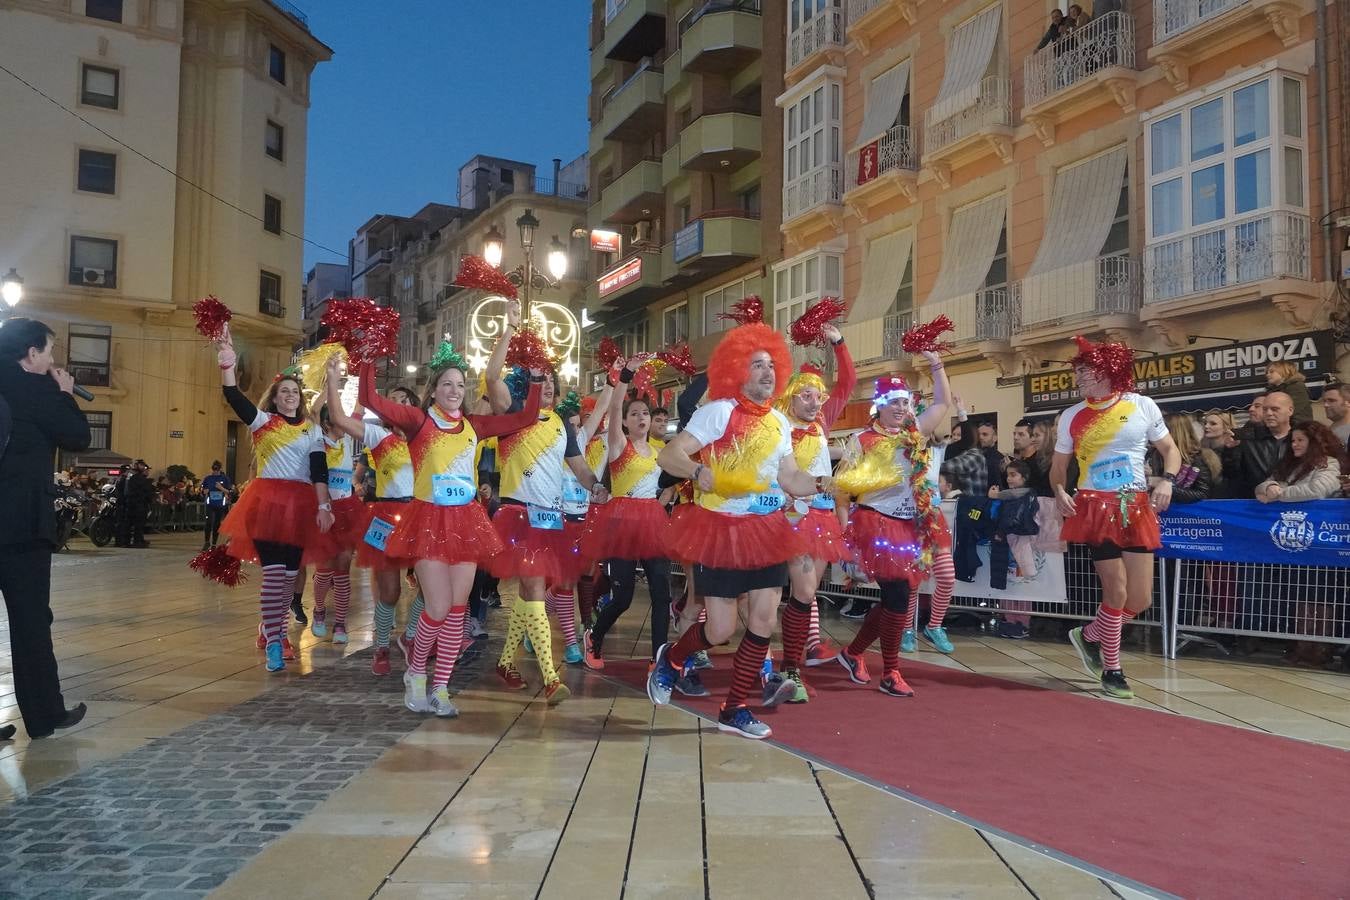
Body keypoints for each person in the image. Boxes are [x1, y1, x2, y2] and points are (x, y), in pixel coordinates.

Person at [648, 319, 829, 739]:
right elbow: (668, 456)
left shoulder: (780, 424)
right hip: (722, 530)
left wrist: (821, 483)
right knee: (720, 629)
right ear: (737, 372)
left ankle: (734, 709)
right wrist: (696, 470)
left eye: (771, 365)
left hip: (767, 530)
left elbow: (790, 478)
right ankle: (672, 658)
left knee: (764, 621)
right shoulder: (719, 412)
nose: (767, 372)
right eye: (757, 365)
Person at [348, 346, 541, 717]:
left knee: (456, 610)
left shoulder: (475, 426)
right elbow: (369, 398)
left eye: (460, 385)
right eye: (447, 384)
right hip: (429, 523)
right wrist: (369, 356)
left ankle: (441, 687)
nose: (455, 390)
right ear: (434, 389)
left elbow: (527, 417)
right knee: (435, 607)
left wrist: (534, 379)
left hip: (466, 523)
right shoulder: (419, 421)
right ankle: (417, 673)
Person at [1054, 336, 1180, 700]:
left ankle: (1089, 634)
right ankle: (1113, 668)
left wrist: (1168, 482)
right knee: (1117, 590)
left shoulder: (1141, 405)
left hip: (1135, 505)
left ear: (1110, 370)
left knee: (1139, 600)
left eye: (1086, 371)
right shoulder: (1071, 416)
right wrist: (1060, 489)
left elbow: (1170, 450)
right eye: (1077, 371)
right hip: (1095, 507)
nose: (1079, 377)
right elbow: (1058, 468)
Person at [215, 325, 334, 673]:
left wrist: (325, 505)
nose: (290, 396)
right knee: (273, 575)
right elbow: (234, 397)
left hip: (299, 508)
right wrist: (227, 362)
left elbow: (318, 470)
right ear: (275, 396)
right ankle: (275, 643)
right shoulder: (262, 422)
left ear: (301, 397)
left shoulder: (312, 430)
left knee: (287, 580)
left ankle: (272, 631)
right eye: (284, 391)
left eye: (295, 391)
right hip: (266, 504)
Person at [833, 360, 952, 697]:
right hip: (876, 525)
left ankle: (853, 652)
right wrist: (848, 537)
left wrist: (937, 365)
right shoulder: (862, 439)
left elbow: (942, 403)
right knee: (898, 596)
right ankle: (890, 672)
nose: (901, 408)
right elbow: (843, 492)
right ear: (880, 406)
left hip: (911, 526)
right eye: (894, 402)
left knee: (893, 600)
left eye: (906, 402)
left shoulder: (916, 433)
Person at [0, 317, 91, 740]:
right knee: (31, 621)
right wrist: (66, 394)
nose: (53, 360)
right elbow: (77, 436)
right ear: (32, 354)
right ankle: (43, 715)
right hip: (20, 526)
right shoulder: (36, 389)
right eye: (50, 351)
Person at [767, 321, 856, 701]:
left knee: (805, 595)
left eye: (817, 395)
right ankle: (777, 665)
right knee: (783, 592)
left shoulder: (821, 421)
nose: (814, 401)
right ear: (790, 397)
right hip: (786, 515)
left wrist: (839, 343)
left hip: (819, 517)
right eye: (806, 394)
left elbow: (848, 383)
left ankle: (790, 668)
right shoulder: (776, 424)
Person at [581, 359, 675, 669]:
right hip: (621, 525)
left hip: (653, 525)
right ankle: (594, 636)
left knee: (662, 595)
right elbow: (617, 405)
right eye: (634, 414)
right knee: (622, 598)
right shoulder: (619, 444)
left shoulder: (662, 452)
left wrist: (659, 502)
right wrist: (626, 377)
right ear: (625, 422)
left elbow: (669, 485)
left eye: (645, 413)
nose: (641, 418)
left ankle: (659, 657)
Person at [324, 371, 419, 677]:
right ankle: (380, 646)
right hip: (386, 517)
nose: (400, 406)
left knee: (432, 589)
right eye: (393, 402)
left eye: (405, 401)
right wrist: (333, 380)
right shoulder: (379, 437)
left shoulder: (427, 436)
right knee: (389, 591)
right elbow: (339, 418)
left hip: (422, 516)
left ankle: (411, 637)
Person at [1255, 421, 1345, 503]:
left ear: (1315, 442)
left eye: (1300, 440)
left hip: (1316, 518)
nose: (1294, 444)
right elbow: (1263, 486)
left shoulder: (1329, 463)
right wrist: (1268, 487)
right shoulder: (1288, 464)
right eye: (1293, 441)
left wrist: (1278, 494)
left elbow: (1318, 490)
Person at [1229, 390, 1295, 498]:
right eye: (1265, 409)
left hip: (1295, 503)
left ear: (1290, 410)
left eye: (1274, 409)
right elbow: (1233, 475)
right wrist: (1229, 452)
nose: (1268, 413)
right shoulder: (1246, 439)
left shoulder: (1305, 439)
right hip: (1257, 504)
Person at [1149, 414, 1216, 503]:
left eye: (1160, 431)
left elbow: (1202, 493)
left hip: (1185, 514)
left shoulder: (1196, 458)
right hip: (1156, 509)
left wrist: (1167, 487)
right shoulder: (1153, 454)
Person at [117, 459, 153, 548]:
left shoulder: (128, 476)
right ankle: (137, 542)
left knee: (128, 524)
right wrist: (149, 499)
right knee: (138, 524)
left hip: (129, 503)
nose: (146, 470)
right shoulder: (139, 478)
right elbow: (145, 492)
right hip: (138, 504)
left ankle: (126, 541)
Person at [200, 460, 234, 550]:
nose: (215, 471)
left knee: (217, 524)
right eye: (213, 469)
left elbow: (230, 492)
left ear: (220, 469)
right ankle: (207, 542)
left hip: (220, 505)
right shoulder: (208, 478)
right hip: (210, 504)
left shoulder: (225, 479)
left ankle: (214, 543)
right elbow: (202, 490)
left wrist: (221, 488)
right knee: (208, 522)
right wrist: (204, 491)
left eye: (217, 469)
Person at [1322, 382, 1350, 447]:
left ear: (1348, 402)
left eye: (1331, 401)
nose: (1325, 405)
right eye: (1324, 401)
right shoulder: (1324, 432)